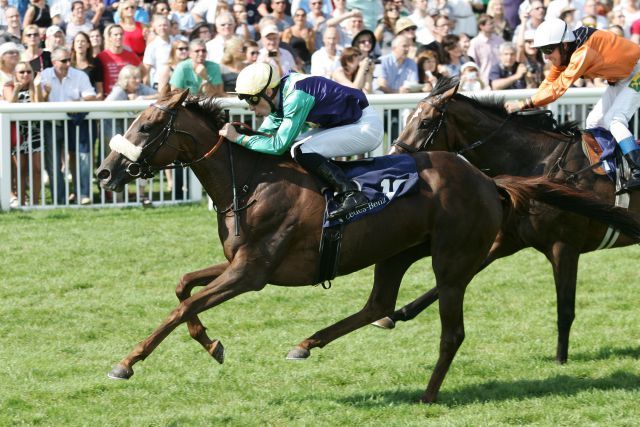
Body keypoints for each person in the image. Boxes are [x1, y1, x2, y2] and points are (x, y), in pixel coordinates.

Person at [218, 62, 383, 220]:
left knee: (301, 149)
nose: (250, 107)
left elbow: (277, 145)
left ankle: (351, 193)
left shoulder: (295, 96)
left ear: (268, 92)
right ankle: (325, 194)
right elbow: (264, 135)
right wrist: (239, 138)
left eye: (251, 99)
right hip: (348, 124)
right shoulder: (280, 96)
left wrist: (238, 137)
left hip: (365, 127)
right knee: (295, 147)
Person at [505, 18, 640, 190]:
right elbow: (550, 82)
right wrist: (528, 101)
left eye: (548, 50)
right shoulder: (565, 52)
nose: (546, 57)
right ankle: (612, 167)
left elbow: (559, 88)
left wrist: (525, 104)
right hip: (621, 77)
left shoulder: (582, 52)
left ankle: (637, 169)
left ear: (565, 45)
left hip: (638, 73)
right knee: (593, 121)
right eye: (542, 51)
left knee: (616, 120)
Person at [41, 47, 98, 205]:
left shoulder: (79, 75)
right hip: (52, 124)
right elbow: (38, 101)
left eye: (69, 60)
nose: (67, 64)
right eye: (63, 61)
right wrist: (45, 94)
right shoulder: (44, 75)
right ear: (53, 62)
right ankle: (60, 200)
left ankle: (83, 194)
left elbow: (91, 97)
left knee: (83, 157)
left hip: (76, 122)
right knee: (53, 163)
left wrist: (76, 103)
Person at [3, 61, 45, 207]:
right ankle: (21, 202)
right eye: (22, 72)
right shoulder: (9, 86)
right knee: (19, 169)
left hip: (35, 132)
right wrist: (16, 89)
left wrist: (38, 87)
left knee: (37, 168)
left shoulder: (37, 85)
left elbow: (40, 105)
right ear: (15, 74)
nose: (26, 74)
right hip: (18, 134)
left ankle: (34, 202)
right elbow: (10, 104)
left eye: (28, 71)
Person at [97, 24, 143, 96]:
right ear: (109, 37)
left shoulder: (131, 55)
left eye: (121, 34)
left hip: (128, 97)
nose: (119, 37)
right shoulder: (102, 56)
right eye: (115, 35)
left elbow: (143, 71)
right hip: (109, 97)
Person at [71, 31, 104, 99]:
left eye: (83, 41)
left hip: (90, 102)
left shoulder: (95, 62)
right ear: (73, 45)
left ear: (88, 45)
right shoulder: (68, 63)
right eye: (77, 41)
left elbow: (99, 90)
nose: (80, 43)